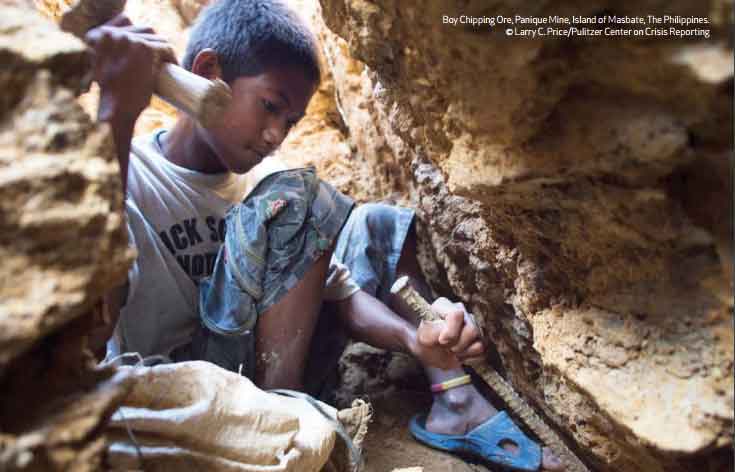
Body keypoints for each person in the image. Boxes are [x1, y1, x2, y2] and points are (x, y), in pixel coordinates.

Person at [86, 0, 563, 470]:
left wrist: (413, 338)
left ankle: (441, 401)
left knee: (372, 220)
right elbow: (87, 322)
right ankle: (279, 422)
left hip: (258, 373)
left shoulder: (262, 186)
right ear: (209, 71)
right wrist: (118, 114)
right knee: (304, 197)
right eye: (270, 107)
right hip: (183, 383)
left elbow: (342, 295)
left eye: (290, 122)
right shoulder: (124, 171)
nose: (276, 135)